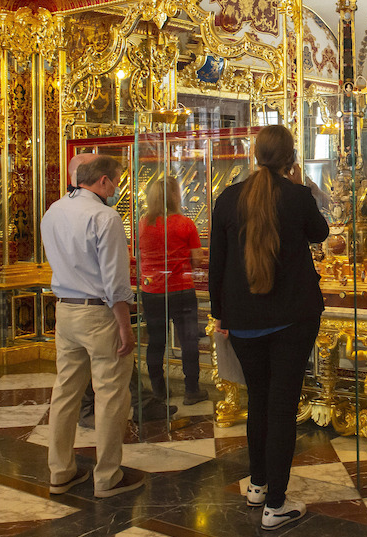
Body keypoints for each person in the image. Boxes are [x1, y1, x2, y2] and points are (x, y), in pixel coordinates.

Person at [209, 125, 328, 530]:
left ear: (255, 154)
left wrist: (220, 313)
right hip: (292, 317)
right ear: (291, 159)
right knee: (281, 407)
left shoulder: (227, 199)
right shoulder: (295, 197)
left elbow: (217, 264)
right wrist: (300, 186)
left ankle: (258, 484)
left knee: (259, 401)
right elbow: (321, 233)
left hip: (243, 321)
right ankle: (275, 504)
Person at [41, 155, 145, 499]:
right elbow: (115, 281)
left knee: (65, 393)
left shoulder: (54, 210)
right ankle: (108, 476)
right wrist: (125, 327)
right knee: (112, 394)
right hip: (99, 314)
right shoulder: (105, 216)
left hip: (65, 310)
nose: (116, 187)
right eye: (115, 181)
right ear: (102, 181)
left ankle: (60, 471)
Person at [138, 176, 207, 406]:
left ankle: (159, 389)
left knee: (156, 341)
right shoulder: (186, 224)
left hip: (152, 290)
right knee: (188, 341)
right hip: (181, 288)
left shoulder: (143, 223)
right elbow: (197, 259)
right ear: (175, 196)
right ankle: (192, 390)